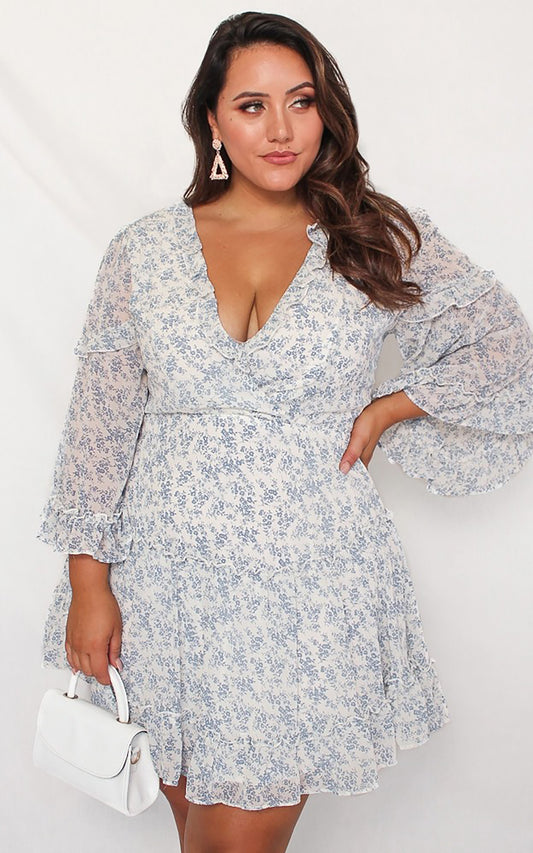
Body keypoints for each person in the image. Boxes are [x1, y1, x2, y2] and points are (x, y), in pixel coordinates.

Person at [36, 10, 533, 853]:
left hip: (308, 587)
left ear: (325, 113)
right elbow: (98, 430)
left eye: (300, 103)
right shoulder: (142, 251)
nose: (281, 129)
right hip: (164, 586)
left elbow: (506, 349)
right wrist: (90, 585)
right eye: (252, 106)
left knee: (236, 843)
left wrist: (388, 407)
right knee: (199, 836)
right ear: (211, 121)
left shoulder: (371, 235)